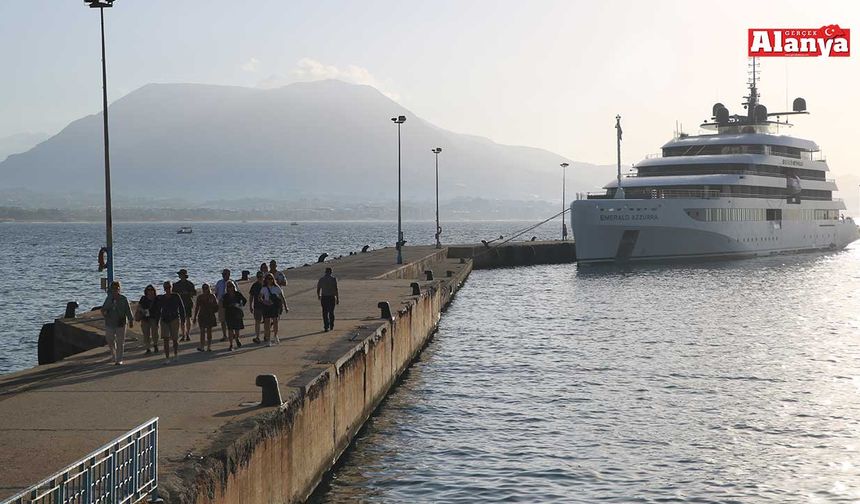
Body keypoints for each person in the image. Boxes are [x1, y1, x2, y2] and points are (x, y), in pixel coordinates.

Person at [100, 281, 133, 365]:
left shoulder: (123, 299)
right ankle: (113, 355)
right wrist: (105, 312)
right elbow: (103, 309)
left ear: (119, 289)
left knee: (120, 342)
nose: (115, 290)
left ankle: (119, 359)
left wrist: (131, 320)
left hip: (120, 323)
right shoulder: (109, 298)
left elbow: (128, 310)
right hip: (110, 322)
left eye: (117, 289)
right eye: (113, 289)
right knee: (110, 340)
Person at [158, 281, 186, 363]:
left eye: (169, 287)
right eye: (166, 288)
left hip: (174, 318)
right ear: (164, 289)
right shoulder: (162, 298)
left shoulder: (176, 296)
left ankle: (176, 354)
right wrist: (157, 320)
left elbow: (181, 308)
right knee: (165, 339)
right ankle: (167, 358)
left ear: (171, 287)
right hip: (164, 320)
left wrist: (183, 319)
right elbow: (158, 309)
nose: (167, 289)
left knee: (175, 338)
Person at [259, 273, 287, 346]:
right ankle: (268, 339)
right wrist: (265, 301)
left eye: (271, 278)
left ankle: (275, 335)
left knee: (275, 321)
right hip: (267, 306)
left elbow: (282, 297)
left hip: (275, 306)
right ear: (266, 280)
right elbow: (260, 297)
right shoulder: (264, 288)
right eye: (268, 279)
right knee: (267, 323)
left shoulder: (276, 287)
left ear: (273, 279)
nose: (270, 280)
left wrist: (285, 306)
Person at [220, 281, 247, 351]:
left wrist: (240, 304)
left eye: (231, 286)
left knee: (237, 329)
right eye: (228, 286)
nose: (230, 288)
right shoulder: (225, 296)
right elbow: (224, 305)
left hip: (237, 313)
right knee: (230, 329)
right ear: (227, 288)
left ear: (234, 286)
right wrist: (230, 305)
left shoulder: (237, 294)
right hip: (229, 314)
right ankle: (231, 344)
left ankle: (237, 338)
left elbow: (244, 300)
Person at [173, 269, 197, 342]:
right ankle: (183, 334)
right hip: (179, 304)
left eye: (181, 274)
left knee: (188, 318)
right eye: (179, 274)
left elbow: (194, 293)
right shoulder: (176, 285)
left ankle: (187, 333)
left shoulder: (189, 284)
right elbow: (173, 294)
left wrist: (187, 293)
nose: (180, 276)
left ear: (184, 275)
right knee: (182, 320)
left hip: (188, 303)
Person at [193, 283, 218, 352]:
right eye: (203, 288)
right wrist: (195, 317)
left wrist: (212, 308)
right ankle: (202, 346)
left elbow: (216, 306)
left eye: (206, 288)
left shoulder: (212, 296)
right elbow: (197, 307)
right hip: (202, 315)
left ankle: (209, 347)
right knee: (202, 331)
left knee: (209, 331)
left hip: (210, 315)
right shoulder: (200, 297)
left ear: (209, 288)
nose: (204, 289)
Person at [137, 284, 161, 354]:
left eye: (151, 290)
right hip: (145, 318)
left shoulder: (157, 298)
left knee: (155, 333)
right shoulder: (143, 298)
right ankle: (148, 348)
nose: (150, 291)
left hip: (154, 318)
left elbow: (159, 308)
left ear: (154, 291)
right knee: (146, 334)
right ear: (146, 291)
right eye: (148, 290)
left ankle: (155, 345)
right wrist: (142, 310)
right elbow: (139, 306)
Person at [317, 267, 339, 332]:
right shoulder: (333, 279)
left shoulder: (321, 279)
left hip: (324, 297)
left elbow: (318, 289)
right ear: (331, 272)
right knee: (331, 312)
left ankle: (326, 326)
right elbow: (336, 289)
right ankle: (331, 325)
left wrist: (318, 295)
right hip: (331, 297)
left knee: (325, 312)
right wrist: (337, 298)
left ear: (325, 272)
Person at [214, 269, 231, 342]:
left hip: (230, 302)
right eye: (223, 274)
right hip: (221, 302)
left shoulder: (232, 282)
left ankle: (231, 334)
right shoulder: (219, 282)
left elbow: (237, 292)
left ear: (229, 274)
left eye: (225, 274)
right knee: (222, 320)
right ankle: (224, 335)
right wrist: (216, 302)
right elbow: (216, 293)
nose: (223, 275)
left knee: (230, 319)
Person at [249, 271, 265, 344]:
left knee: (267, 322)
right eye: (258, 277)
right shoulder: (254, 285)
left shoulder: (266, 284)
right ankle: (257, 337)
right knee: (257, 321)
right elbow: (251, 296)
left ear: (263, 277)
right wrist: (250, 305)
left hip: (266, 306)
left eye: (261, 276)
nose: (260, 278)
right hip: (257, 306)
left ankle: (266, 336)